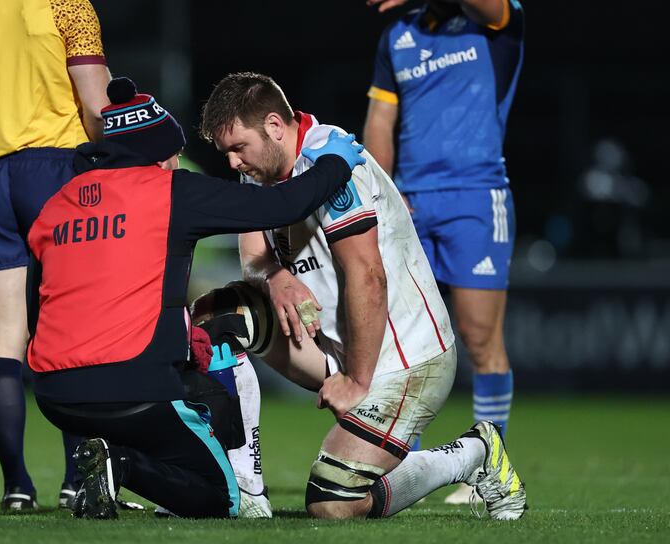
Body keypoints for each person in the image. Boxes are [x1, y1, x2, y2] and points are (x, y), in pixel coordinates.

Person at [26, 77, 367, 519]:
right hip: (134, 387)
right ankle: (120, 463)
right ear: (157, 154)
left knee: (193, 379)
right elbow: (282, 206)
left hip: (54, 395)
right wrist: (336, 163)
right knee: (221, 496)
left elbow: (38, 309)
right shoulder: (170, 190)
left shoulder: (56, 206)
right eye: (174, 153)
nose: (176, 162)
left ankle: (108, 459)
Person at [196, 71, 526, 520]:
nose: (233, 162)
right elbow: (253, 257)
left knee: (332, 504)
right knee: (214, 317)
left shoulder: (329, 161)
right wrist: (274, 276)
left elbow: (368, 276)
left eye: (238, 147)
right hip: (337, 349)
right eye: (227, 153)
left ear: (274, 126)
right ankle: (244, 486)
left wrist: (356, 381)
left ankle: (473, 453)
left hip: (405, 360)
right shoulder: (261, 168)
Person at [0, 0, 111, 510]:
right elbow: (98, 107)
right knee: (73, 331)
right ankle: (76, 480)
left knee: (3, 336)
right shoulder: (68, 6)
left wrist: (5, 127)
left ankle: (16, 486)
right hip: (59, 170)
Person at [363, 0, 524, 503]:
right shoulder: (397, 36)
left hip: (476, 198)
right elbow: (380, 122)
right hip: (412, 203)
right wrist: (385, 194)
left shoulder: (495, 19)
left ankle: (489, 465)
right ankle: (401, 466)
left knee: (479, 337)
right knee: (405, 341)